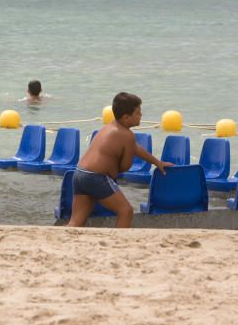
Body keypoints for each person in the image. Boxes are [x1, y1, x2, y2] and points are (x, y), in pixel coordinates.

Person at [68, 92, 172, 228]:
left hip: (80, 174)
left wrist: (157, 162)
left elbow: (135, 148)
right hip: (96, 178)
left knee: (76, 221)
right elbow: (124, 167)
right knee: (125, 211)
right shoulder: (127, 135)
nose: (141, 115)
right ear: (126, 117)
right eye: (138, 113)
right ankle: (118, 245)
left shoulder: (110, 127)